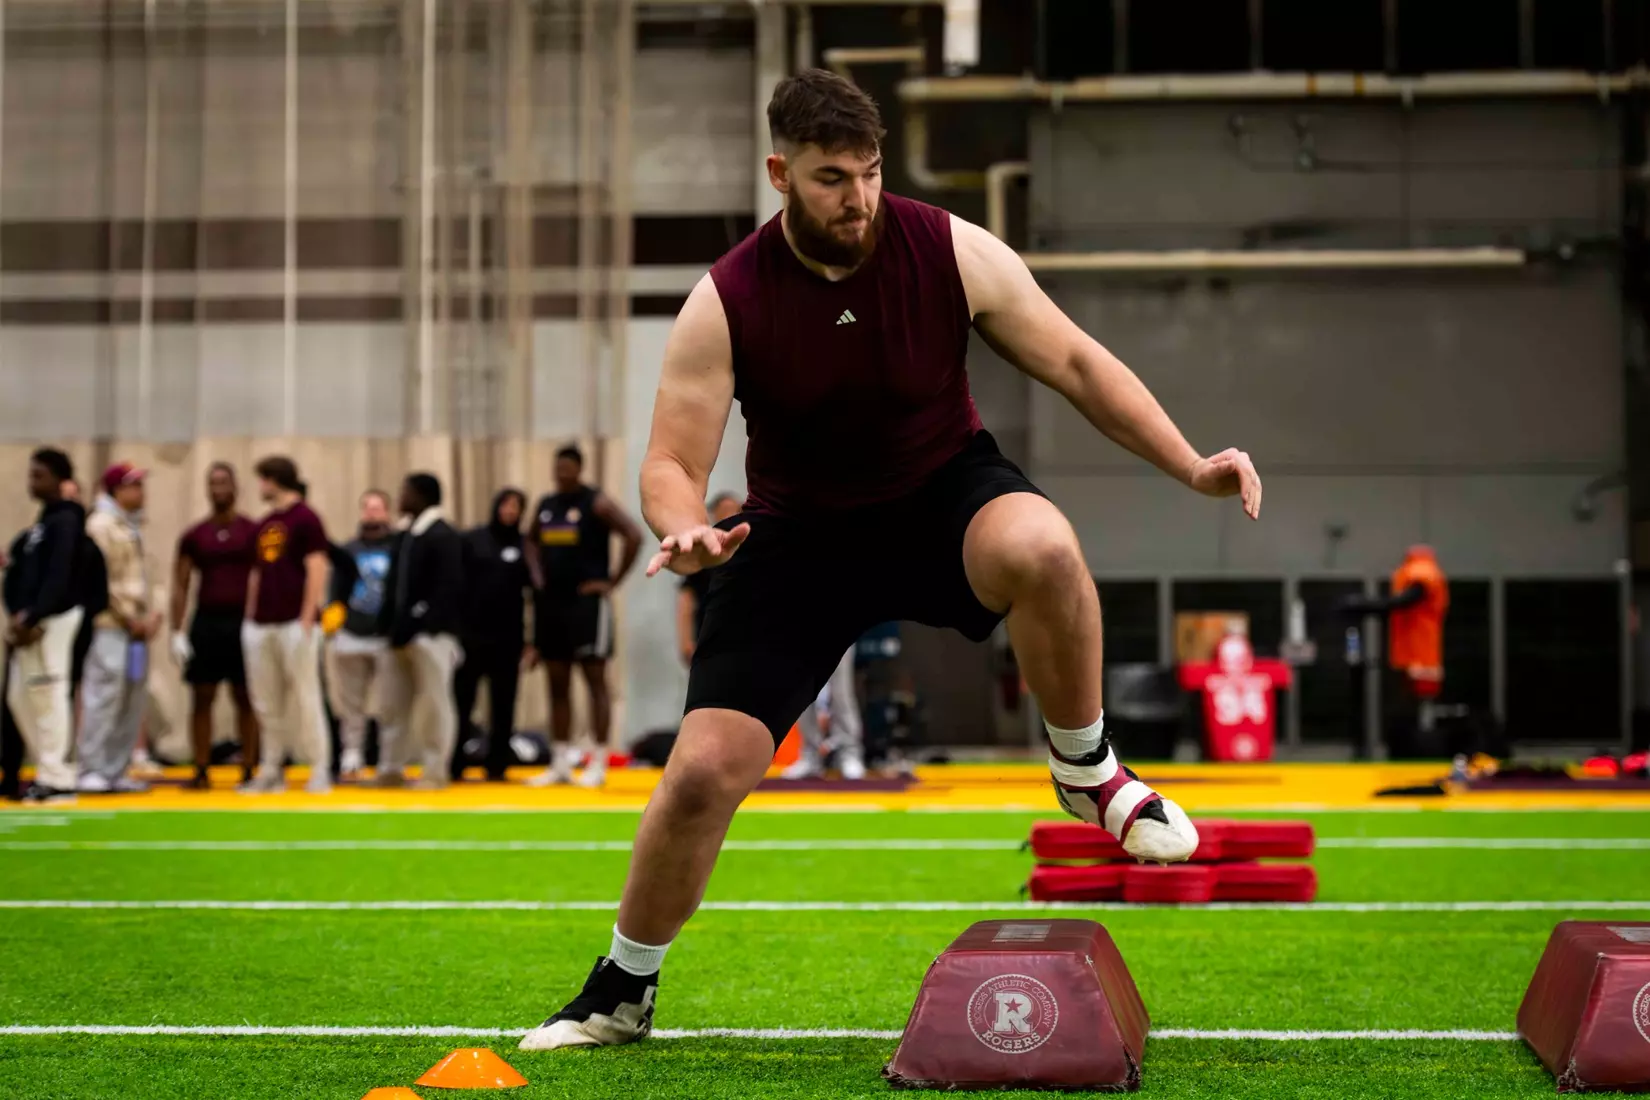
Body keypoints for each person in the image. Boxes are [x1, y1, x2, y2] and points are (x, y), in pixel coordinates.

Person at [519, 70, 1260, 1050]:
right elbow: (669, 457)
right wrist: (683, 522)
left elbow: (1077, 361)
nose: (857, 197)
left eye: (868, 173)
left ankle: (1085, 768)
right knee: (703, 770)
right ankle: (623, 987)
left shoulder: (949, 249)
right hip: (799, 535)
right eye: (831, 178)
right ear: (780, 173)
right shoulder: (727, 297)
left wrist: (1190, 463)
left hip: (939, 498)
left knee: (1043, 542)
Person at [525, 446, 643, 789]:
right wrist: (536, 574)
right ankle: (560, 761)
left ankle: (598, 762)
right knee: (556, 682)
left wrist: (612, 581)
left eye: (569, 468)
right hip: (552, 605)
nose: (563, 473)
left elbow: (633, 535)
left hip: (587, 606)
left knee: (594, 680)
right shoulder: (546, 506)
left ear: (579, 470)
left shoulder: (596, 502)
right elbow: (530, 542)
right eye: (558, 467)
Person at [1, 449, 90, 803]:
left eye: (39, 475)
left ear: (59, 480)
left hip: (55, 620)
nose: (31, 482)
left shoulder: (66, 521)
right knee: (19, 696)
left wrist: (36, 615)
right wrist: (20, 614)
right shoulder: (42, 524)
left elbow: (59, 574)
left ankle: (58, 778)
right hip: (32, 620)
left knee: (49, 694)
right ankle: (48, 767)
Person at [241, 455, 333, 794]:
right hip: (261, 624)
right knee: (266, 703)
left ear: (274, 480)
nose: (260, 488)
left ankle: (320, 767)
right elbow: (256, 573)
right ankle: (270, 770)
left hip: (295, 623)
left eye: (262, 480)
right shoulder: (264, 524)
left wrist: (308, 618)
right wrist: (250, 617)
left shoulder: (307, 519)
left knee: (307, 697)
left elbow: (317, 568)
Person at [170, 462, 261, 789]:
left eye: (224, 482)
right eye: (213, 483)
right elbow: (180, 583)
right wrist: (177, 630)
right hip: (206, 622)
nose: (218, 488)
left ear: (236, 487)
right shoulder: (195, 535)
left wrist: (259, 620)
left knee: (245, 696)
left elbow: (263, 576)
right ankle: (201, 768)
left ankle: (249, 767)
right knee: (202, 696)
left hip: (242, 622)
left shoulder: (252, 531)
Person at [79, 463, 162, 794]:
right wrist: (129, 617)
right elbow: (101, 581)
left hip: (135, 631)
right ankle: (91, 768)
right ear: (116, 490)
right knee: (104, 698)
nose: (141, 492)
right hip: (110, 626)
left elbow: (142, 579)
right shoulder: (100, 525)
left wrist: (150, 616)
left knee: (131, 699)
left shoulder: (131, 525)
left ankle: (115, 769)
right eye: (134, 485)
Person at [380, 472, 464, 789]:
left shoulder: (443, 535)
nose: (400, 497)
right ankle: (390, 767)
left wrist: (420, 623)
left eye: (405, 491)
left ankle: (434, 769)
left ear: (422, 496)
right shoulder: (405, 535)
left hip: (431, 636)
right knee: (392, 705)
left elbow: (449, 588)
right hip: (399, 636)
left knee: (434, 704)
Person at [454, 488, 536, 781]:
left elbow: (533, 592)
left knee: (503, 704)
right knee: (462, 702)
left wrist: (531, 642)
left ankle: (497, 765)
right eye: (506, 504)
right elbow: (457, 587)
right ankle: (456, 762)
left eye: (517, 506)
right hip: (472, 636)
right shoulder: (472, 541)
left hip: (508, 639)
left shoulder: (526, 546)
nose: (510, 511)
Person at [324, 490, 399, 781]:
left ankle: (389, 759)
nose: (372, 513)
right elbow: (335, 591)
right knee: (351, 703)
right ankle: (351, 755)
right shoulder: (348, 549)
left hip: (386, 637)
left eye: (377, 508)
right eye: (367, 508)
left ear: (387, 512)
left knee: (390, 703)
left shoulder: (398, 549)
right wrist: (334, 625)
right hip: (352, 634)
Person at [675, 492, 742, 667]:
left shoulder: (751, 551)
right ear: (714, 515)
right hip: (707, 639)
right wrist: (685, 640)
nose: (731, 515)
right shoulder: (704, 554)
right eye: (726, 510)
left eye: (736, 510)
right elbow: (687, 598)